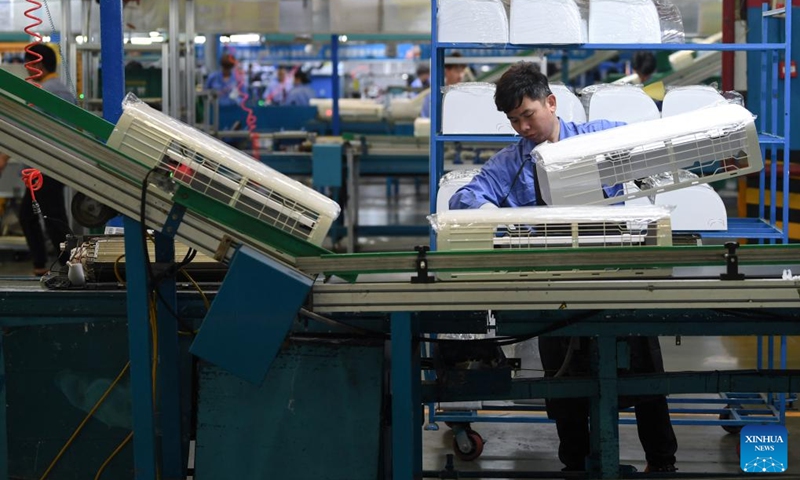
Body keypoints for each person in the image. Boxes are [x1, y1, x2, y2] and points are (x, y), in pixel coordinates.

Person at [448, 62, 678, 474]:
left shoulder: (599, 137)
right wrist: (497, 216)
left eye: (528, 115)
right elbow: (464, 197)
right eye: (513, 120)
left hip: (614, 282)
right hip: (554, 290)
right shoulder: (512, 162)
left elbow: (652, 150)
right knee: (565, 383)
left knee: (646, 378)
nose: (522, 127)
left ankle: (662, 464)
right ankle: (575, 465)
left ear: (550, 103)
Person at [0, 43, 73, 276]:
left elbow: (28, 128)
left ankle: (70, 265)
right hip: (47, 165)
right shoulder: (58, 89)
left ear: (38, 64)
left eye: (29, 65)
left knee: (53, 218)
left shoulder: (47, 91)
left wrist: (4, 155)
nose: (27, 70)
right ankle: (44, 265)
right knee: (34, 216)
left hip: (45, 166)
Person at [420, 52, 466, 118]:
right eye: (457, 71)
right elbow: (426, 119)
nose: (461, 75)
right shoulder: (433, 95)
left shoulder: (466, 95)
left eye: (462, 71)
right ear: (447, 71)